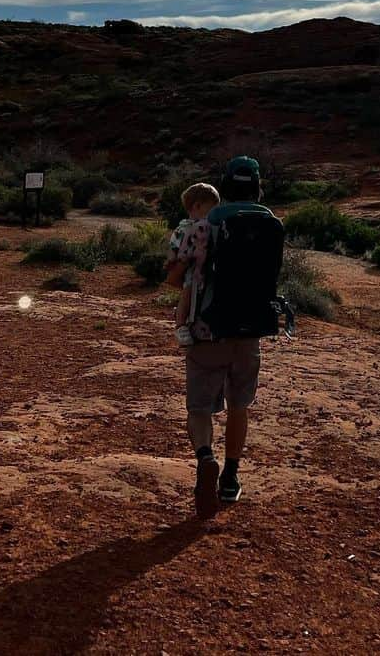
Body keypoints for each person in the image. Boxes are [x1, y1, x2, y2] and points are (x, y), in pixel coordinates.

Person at [181, 154, 277, 516]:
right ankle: (231, 478)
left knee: (199, 407)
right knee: (240, 405)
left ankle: (206, 457)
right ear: (256, 187)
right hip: (251, 330)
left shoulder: (208, 222)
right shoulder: (269, 222)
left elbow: (181, 273)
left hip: (208, 329)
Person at [165, 182, 218, 347]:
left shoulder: (206, 226)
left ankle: (192, 321)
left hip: (202, 270)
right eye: (212, 208)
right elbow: (173, 246)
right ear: (197, 206)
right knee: (188, 294)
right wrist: (171, 259)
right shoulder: (185, 227)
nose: (214, 213)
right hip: (192, 270)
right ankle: (181, 325)